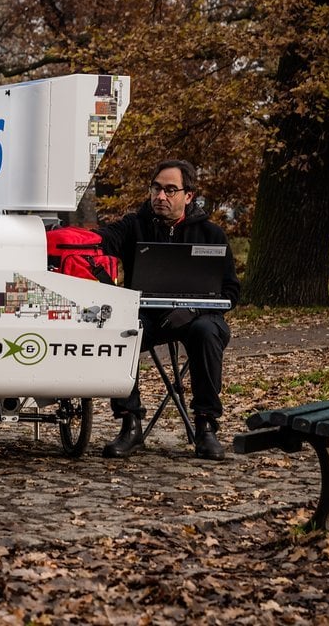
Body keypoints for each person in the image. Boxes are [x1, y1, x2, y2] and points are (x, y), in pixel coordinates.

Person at [96, 159, 240, 461]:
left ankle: (205, 427)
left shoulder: (211, 235)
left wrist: (192, 309)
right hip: (148, 316)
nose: (160, 196)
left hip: (196, 317)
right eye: (156, 188)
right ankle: (130, 424)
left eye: (170, 190)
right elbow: (100, 243)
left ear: (188, 195)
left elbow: (230, 291)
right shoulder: (134, 225)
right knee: (122, 330)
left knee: (207, 332)